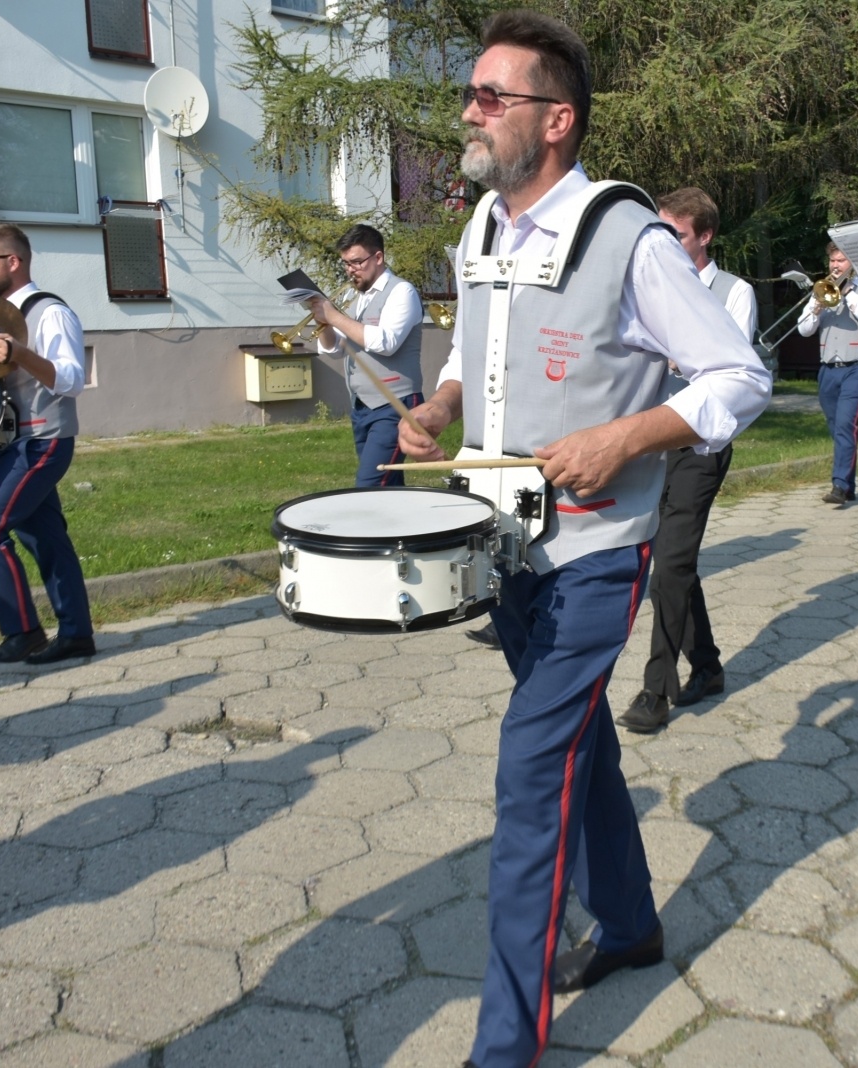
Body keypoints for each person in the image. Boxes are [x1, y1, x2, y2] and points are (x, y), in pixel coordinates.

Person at [394, 13, 769, 1066]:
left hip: (600, 552)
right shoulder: (479, 228)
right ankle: (636, 924)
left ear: (554, 121)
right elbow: (476, 351)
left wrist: (627, 435)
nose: (468, 112)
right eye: (468, 94)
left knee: (527, 776)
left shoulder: (630, 235)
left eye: (490, 97)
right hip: (501, 542)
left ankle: (504, 1047)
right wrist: (441, 405)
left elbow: (738, 377)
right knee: (576, 747)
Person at [617, 186, 756, 733]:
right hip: (654, 439)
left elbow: (725, 371)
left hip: (701, 444)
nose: (663, 242)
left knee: (668, 565)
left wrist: (672, 342)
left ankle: (656, 690)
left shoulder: (734, 291)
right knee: (674, 562)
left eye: (675, 233)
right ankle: (708, 665)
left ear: (704, 236)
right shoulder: (651, 286)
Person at [0, 224, 96, 664]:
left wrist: (20, 353)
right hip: (13, 443)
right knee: (45, 538)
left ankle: (23, 632)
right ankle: (75, 635)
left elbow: (72, 380)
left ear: (13, 261)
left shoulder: (49, 311)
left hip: (42, 440)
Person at [310, 224, 425, 487]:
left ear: (378, 258)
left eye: (357, 262)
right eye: (346, 263)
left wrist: (334, 316)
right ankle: (402, 527)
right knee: (388, 484)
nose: (351, 270)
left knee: (369, 484)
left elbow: (386, 342)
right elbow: (336, 349)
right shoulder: (355, 296)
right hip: (362, 405)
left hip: (396, 403)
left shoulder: (401, 291)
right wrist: (324, 323)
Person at [797, 242, 858, 505]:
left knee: (847, 424)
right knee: (837, 427)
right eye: (832, 261)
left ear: (853, 264)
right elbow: (803, 330)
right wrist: (816, 308)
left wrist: (848, 295)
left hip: (857, 366)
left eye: (841, 261)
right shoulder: (821, 290)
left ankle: (839, 485)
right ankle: (848, 485)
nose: (836, 266)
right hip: (827, 369)